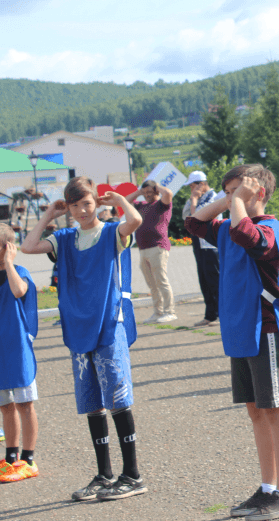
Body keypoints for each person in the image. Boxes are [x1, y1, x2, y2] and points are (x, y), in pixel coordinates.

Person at [185, 164, 279, 521]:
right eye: (226, 192)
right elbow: (193, 224)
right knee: (256, 411)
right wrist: (229, 198)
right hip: (239, 330)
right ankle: (267, 487)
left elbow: (246, 235)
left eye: (236, 192)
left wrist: (238, 202)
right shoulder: (227, 226)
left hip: (264, 327)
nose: (229, 199)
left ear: (259, 193)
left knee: (276, 408)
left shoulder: (269, 228)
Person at [21, 177, 148, 501]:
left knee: (118, 398)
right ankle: (104, 474)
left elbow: (135, 220)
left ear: (96, 202)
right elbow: (28, 247)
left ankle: (132, 474)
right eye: (75, 205)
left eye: (86, 203)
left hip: (107, 324)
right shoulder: (65, 238)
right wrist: (49, 214)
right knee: (92, 402)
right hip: (78, 328)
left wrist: (118, 200)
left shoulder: (111, 233)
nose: (81, 210)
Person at [0, 224, 40, 483]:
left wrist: (8, 263)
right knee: (5, 406)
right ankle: (11, 456)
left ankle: (28, 458)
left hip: (17, 347)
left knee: (25, 404)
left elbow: (18, 291)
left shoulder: (19, 272)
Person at [128, 180, 176, 323]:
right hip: (143, 249)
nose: (147, 195)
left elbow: (168, 193)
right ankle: (158, 312)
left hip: (158, 247)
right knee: (152, 284)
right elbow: (125, 201)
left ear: (156, 191)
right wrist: (139, 191)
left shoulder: (162, 204)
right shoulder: (141, 206)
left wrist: (156, 187)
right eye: (145, 193)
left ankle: (170, 312)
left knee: (161, 281)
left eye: (150, 192)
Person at [182, 171, 221, 327]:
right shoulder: (197, 199)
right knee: (204, 280)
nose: (191, 190)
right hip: (199, 243)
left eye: (193, 186)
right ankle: (210, 315)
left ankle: (220, 314)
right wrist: (193, 200)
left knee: (215, 280)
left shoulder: (213, 198)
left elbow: (196, 217)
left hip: (210, 244)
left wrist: (194, 201)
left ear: (202, 184)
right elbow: (185, 215)